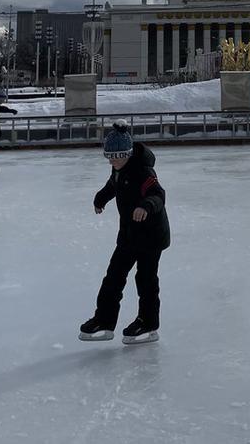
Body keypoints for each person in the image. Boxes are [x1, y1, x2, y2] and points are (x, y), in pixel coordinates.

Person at [79, 123, 171, 345]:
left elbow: (158, 194)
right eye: (109, 157)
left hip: (151, 235)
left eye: (116, 157)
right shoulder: (119, 168)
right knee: (114, 276)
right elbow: (113, 185)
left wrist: (146, 206)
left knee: (146, 279)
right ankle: (104, 320)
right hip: (129, 234)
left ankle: (148, 323)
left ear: (127, 154)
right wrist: (100, 198)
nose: (112, 162)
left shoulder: (143, 170)